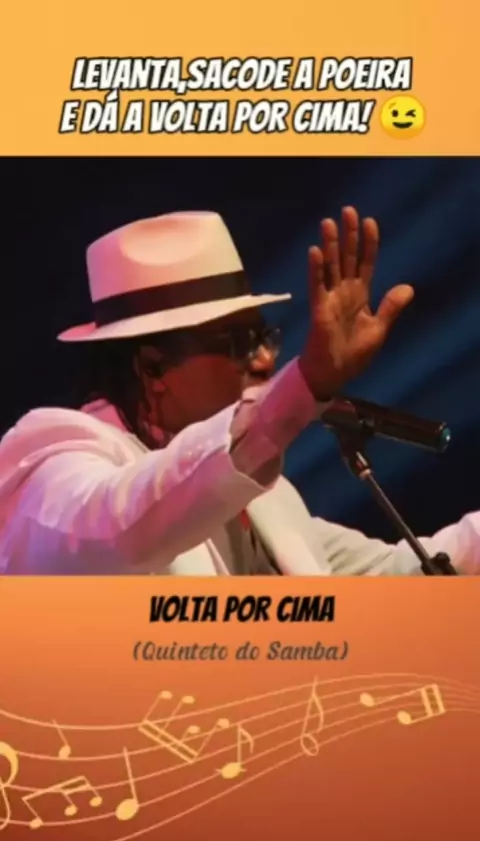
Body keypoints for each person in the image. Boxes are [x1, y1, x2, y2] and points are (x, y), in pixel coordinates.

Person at [0, 208, 478, 576]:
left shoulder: (267, 499)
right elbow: (118, 527)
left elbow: (404, 574)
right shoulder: (54, 457)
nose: (266, 359)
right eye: (239, 343)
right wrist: (303, 385)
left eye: (263, 336)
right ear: (153, 366)